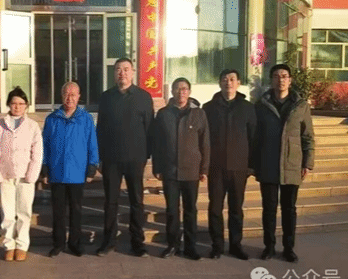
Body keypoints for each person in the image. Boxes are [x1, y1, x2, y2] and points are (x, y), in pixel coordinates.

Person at [253, 64, 315, 263]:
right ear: (271, 80)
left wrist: (307, 162)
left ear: (290, 80)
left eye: (284, 76)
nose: (281, 80)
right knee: (269, 209)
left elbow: (307, 136)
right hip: (268, 164)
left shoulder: (301, 105)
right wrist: (253, 164)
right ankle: (269, 247)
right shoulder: (261, 105)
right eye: (276, 76)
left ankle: (289, 248)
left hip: (292, 164)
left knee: (289, 209)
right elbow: (255, 137)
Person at [96, 58, 154, 257]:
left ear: (133, 72)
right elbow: (101, 129)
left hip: (135, 158)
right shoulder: (106, 97)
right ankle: (108, 241)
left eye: (126, 69)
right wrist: (100, 156)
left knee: (136, 201)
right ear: (114, 73)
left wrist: (146, 156)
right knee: (110, 201)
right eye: (118, 70)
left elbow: (149, 128)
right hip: (111, 159)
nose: (122, 73)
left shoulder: (143, 97)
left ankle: (137, 242)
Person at [152, 78, 209, 261]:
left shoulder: (198, 114)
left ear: (189, 92)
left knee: (190, 210)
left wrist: (204, 168)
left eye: (184, 89)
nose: (181, 92)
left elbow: (205, 142)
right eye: (177, 89)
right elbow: (157, 143)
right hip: (170, 170)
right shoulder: (163, 114)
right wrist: (157, 166)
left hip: (191, 170)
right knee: (172, 210)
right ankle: (172, 245)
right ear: (172, 92)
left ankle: (191, 247)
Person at [203, 69, 257, 261]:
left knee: (236, 209)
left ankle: (236, 245)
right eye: (224, 79)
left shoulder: (247, 108)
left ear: (238, 83)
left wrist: (251, 166)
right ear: (219, 83)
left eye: (232, 79)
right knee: (215, 209)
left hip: (239, 168)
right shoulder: (208, 108)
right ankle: (216, 246)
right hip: (216, 167)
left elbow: (253, 138)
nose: (228, 82)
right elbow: (204, 139)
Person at [42, 82, 99, 258]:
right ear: (61, 96)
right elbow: (45, 146)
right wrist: (45, 169)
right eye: (66, 94)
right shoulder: (52, 119)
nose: (69, 98)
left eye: (73, 94)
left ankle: (75, 243)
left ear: (79, 96)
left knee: (76, 210)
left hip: (77, 171)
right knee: (58, 211)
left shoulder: (86, 119)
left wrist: (92, 167)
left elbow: (92, 144)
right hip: (57, 171)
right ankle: (58, 243)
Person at [0, 87, 43, 262]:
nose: (17, 107)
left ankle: (22, 245)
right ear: (9, 105)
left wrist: (32, 174)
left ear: (26, 105)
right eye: (14, 103)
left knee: (24, 212)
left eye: (21, 103)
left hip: (25, 176)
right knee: (8, 213)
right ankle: (9, 245)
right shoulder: (0, 125)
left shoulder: (32, 126)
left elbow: (37, 152)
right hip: (5, 176)